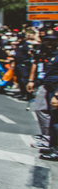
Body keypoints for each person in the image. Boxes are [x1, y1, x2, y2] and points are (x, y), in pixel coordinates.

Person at [28, 31, 58, 160]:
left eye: (52, 40)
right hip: (50, 86)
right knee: (53, 119)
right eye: (46, 40)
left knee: (56, 120)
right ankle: (53, 146)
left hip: (56, 89)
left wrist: (57, 95)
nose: (49, 42)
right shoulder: (50, 53)